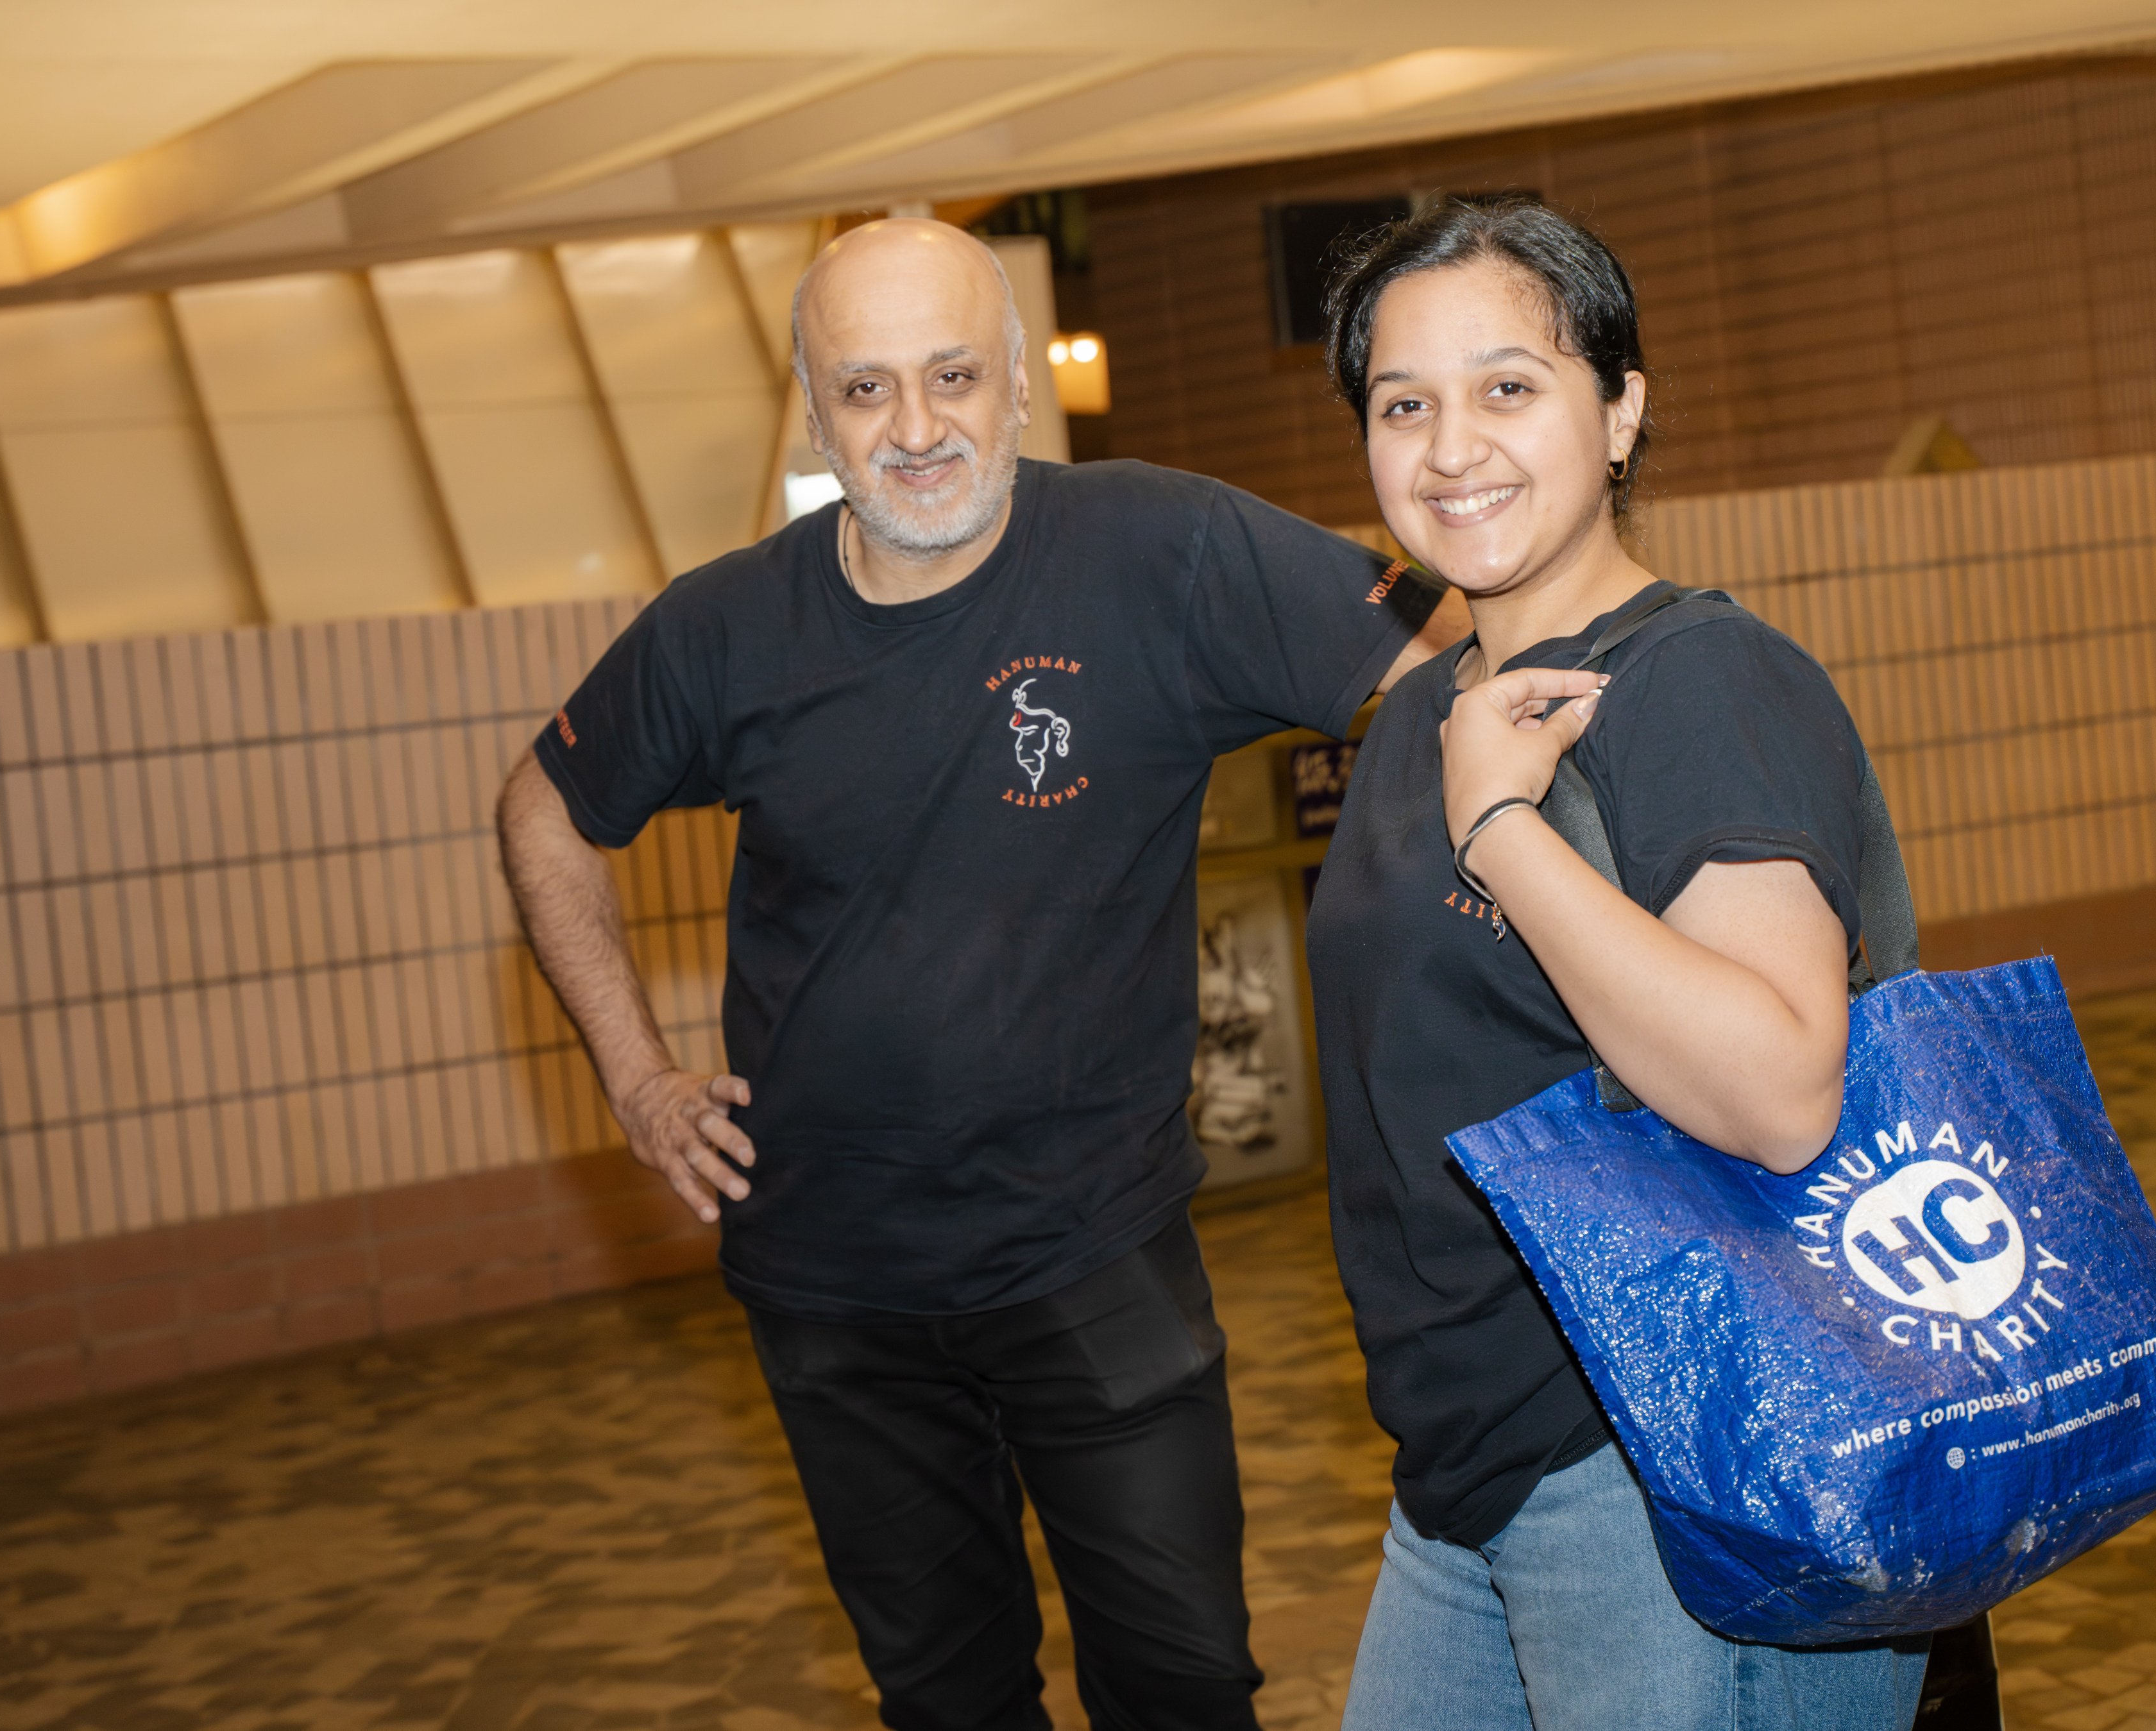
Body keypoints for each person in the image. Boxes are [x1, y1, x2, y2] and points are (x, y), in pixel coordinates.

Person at [495, 217, 1460, 1731]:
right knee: (943, 1702)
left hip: (1094, 1254)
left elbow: (1437, 675)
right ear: (814, 414)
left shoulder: (1161, 550)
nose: (916, 426)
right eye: (865, 388)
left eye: (952, 374)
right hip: (831, 1284)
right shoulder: (725, 628)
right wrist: (632, 1074)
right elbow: (543, 811)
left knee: (1185, 1686)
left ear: (1018, 382)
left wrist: (1439, 941)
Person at [1302, 196, 1933, 1727]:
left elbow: (1780, 1087)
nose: (1452, 448)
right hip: (1460, 1479)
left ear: (1621, 409)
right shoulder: (1423, 719)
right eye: (1405, 404)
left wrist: (1503, 829)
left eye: (1507, 387)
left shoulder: (1697, 681)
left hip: (1666, 1465)